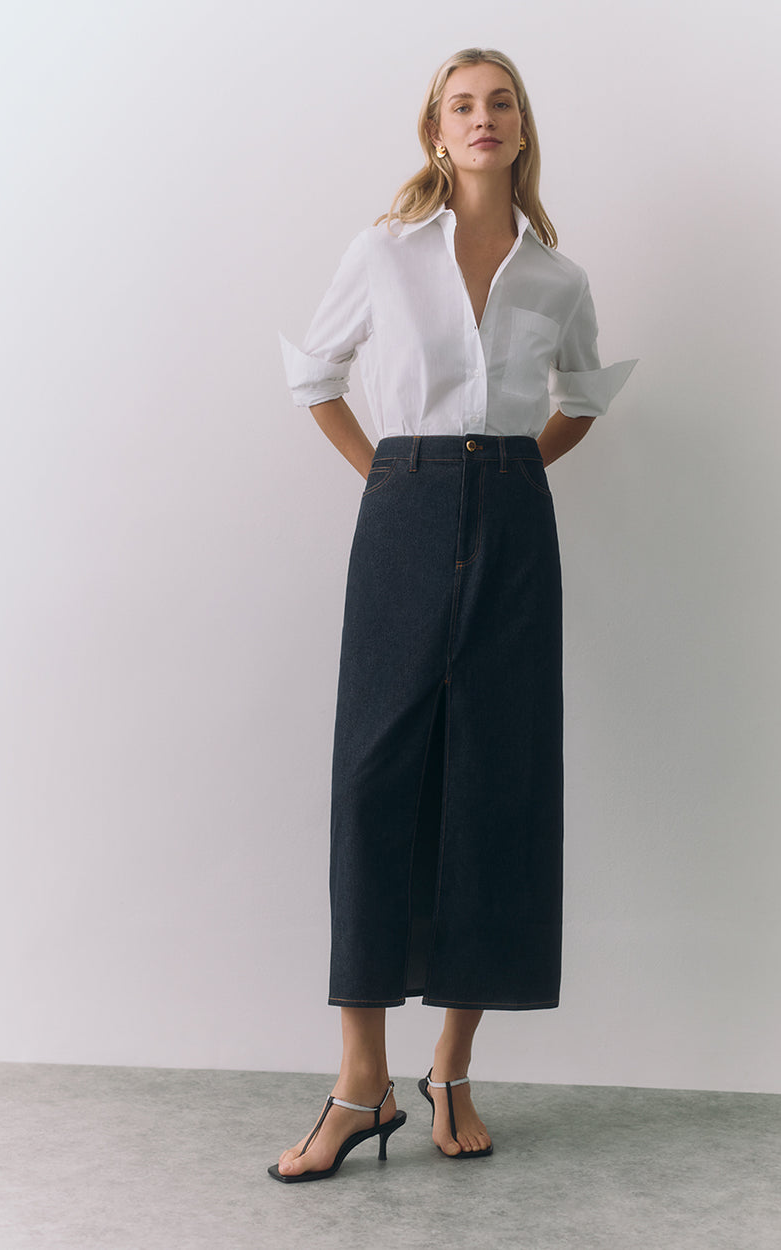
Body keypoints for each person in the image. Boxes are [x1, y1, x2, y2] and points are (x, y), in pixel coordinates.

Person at [271, 47, 636, 1183]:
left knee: (497, 779)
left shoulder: (555, 277)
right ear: (436, 131)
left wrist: (516, 468)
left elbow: (581, 398)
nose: (482, 119)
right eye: (461, 105)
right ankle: (358, 1081)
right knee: (375, 778)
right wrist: (388, 472)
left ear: (523, 131)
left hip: (514, 518)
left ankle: (454, 1068)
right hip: (406, 505)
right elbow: (314, 373)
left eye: (501, 104)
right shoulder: (382, 252)